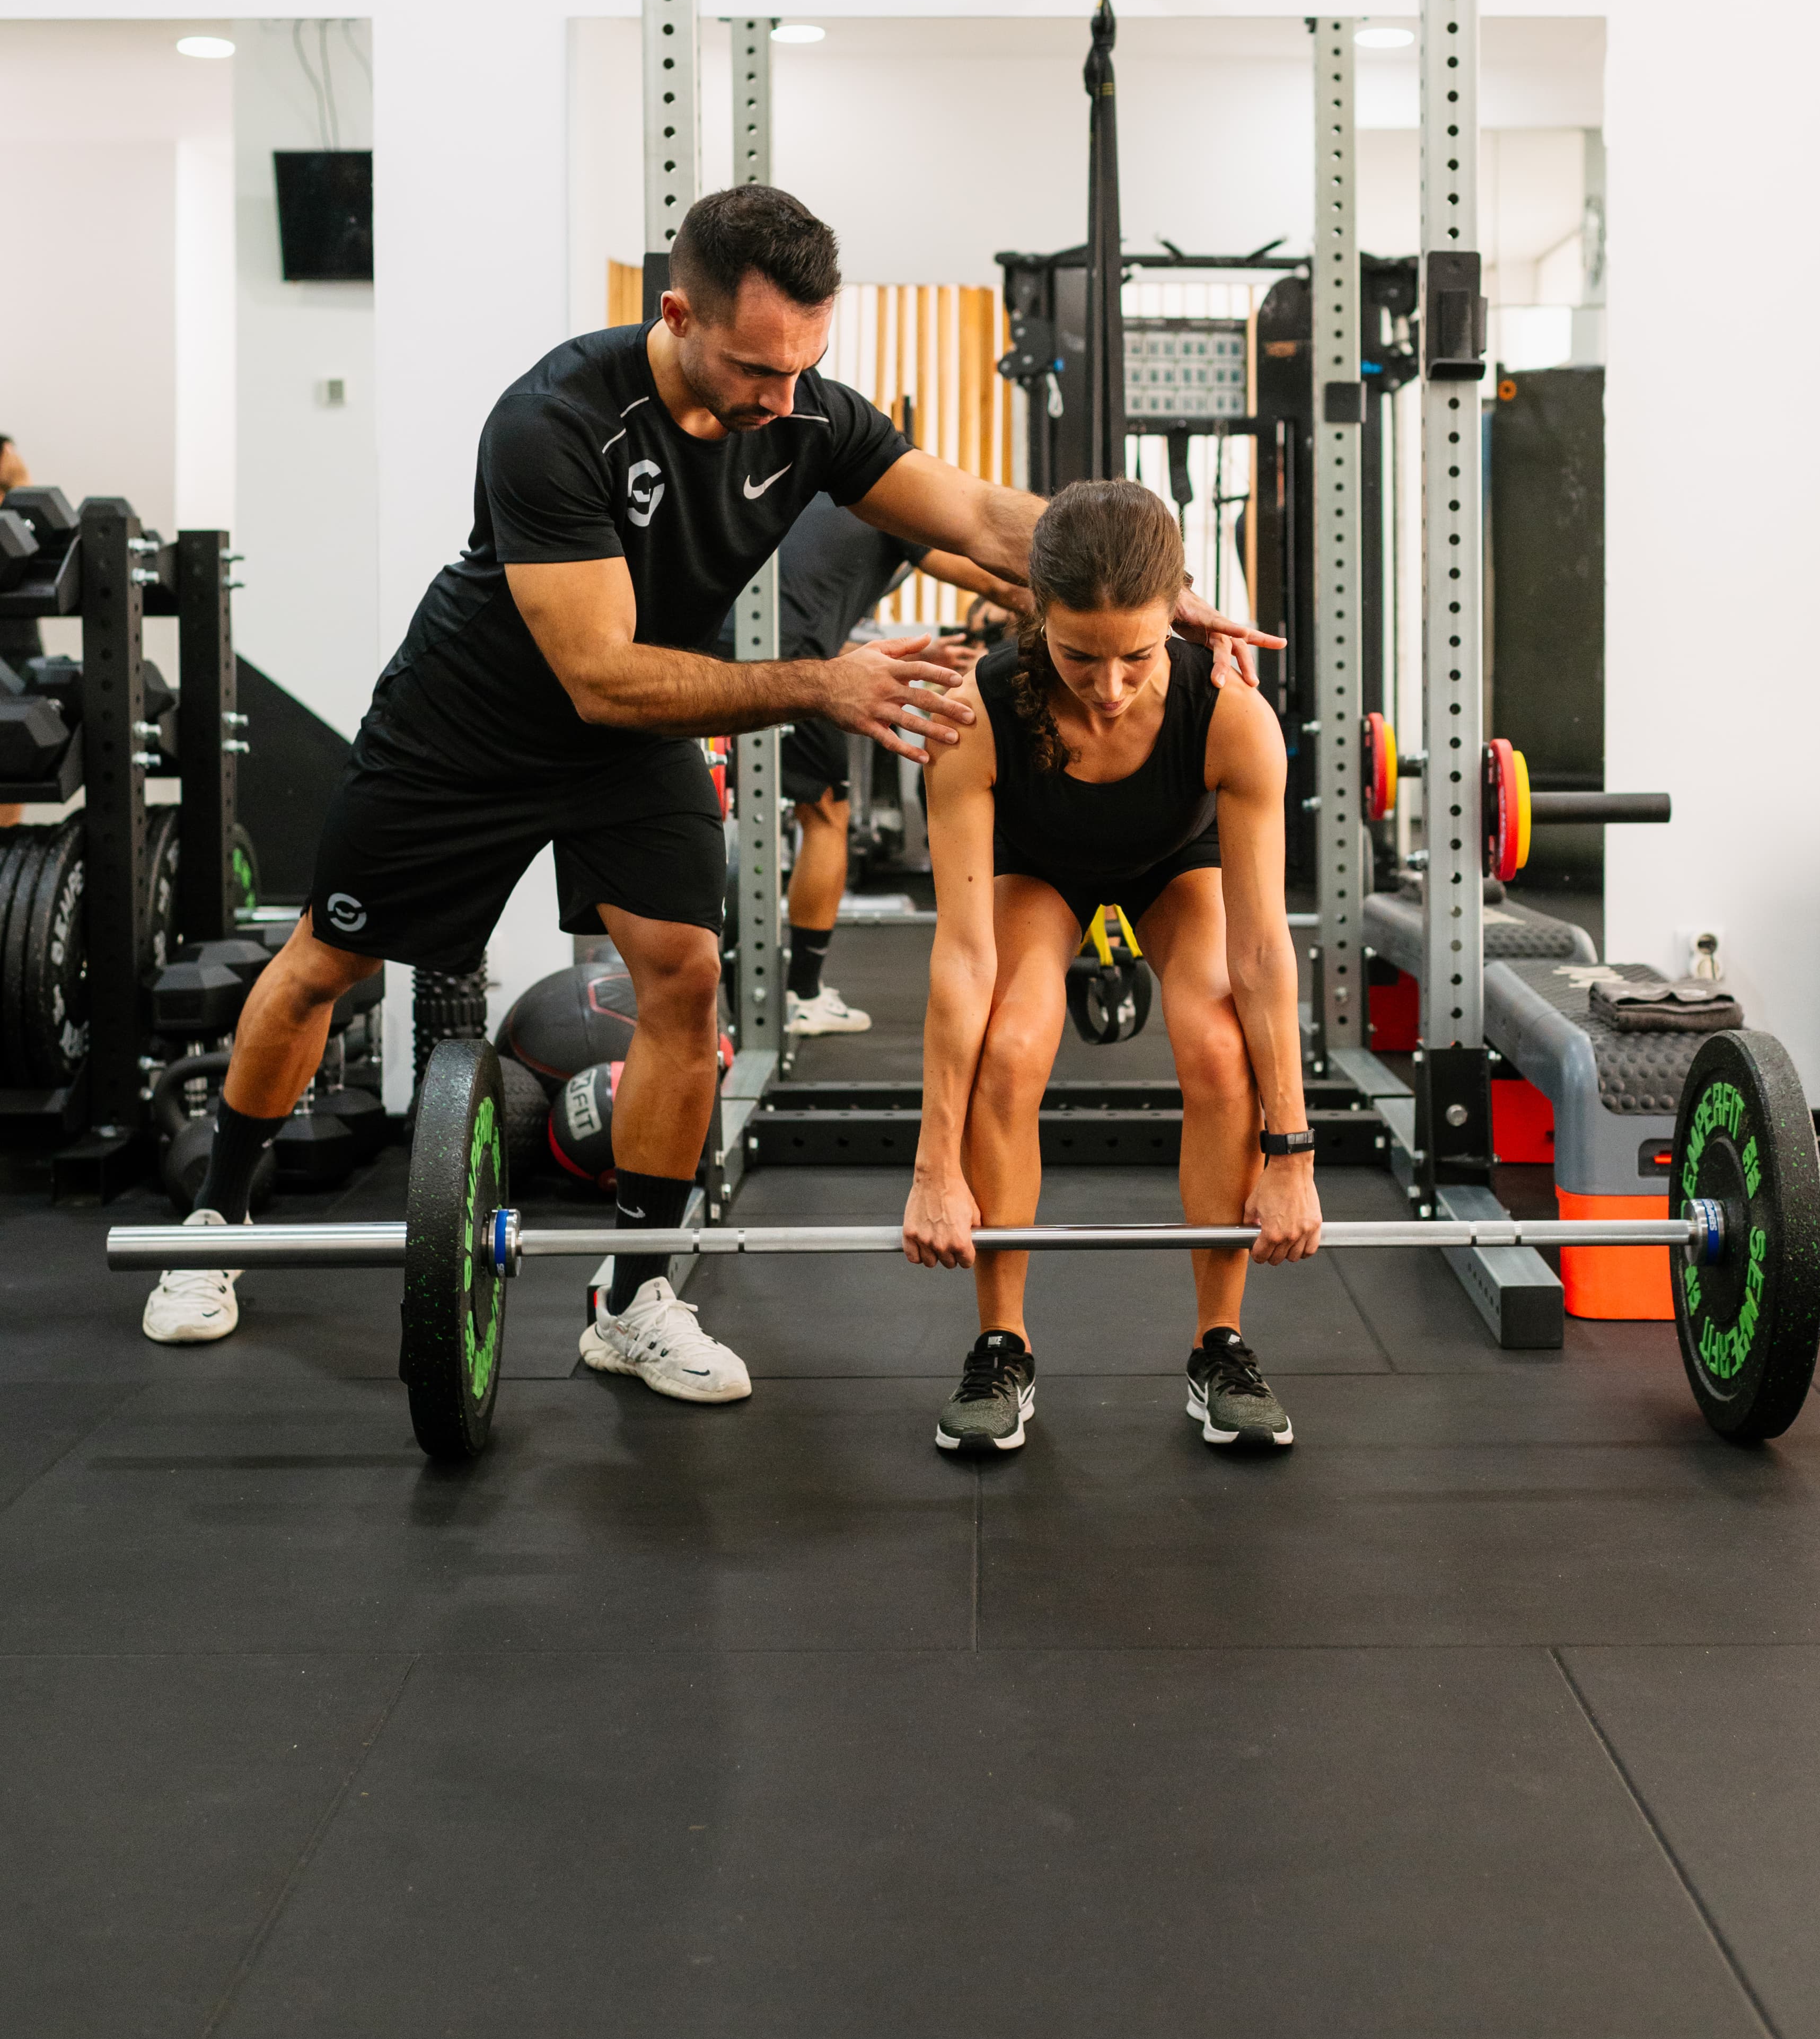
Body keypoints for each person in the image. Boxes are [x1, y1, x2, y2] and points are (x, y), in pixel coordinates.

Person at [141, 186, 1274, 1384]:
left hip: (632, 738)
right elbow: (598, 675)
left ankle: (632, 1296)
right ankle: (212, 1219)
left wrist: (1145, 590)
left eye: (804, 367)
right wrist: (822, 684)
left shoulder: (802, 414)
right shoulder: (554, 421)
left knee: (683, 980)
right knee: (329, 958)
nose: (781, 398)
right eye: (754, 366)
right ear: (675, 313)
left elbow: (988, 518)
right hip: (468, 728)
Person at [903, 476, 1320, 1455]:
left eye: (1137, 655)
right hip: (1038, 874)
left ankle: (1221, 1346)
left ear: (1176, 609)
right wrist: (932, 1170)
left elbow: (1262, 952)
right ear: (1035, 614)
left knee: (1218, 1043)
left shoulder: (1230, 716)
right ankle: (1000, 1345)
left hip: (1178, 870)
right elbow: (961, 959)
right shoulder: (979, 713)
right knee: (1010, 1041)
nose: (1112, 686)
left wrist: (1291, 1155)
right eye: (1080, 656)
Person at [768, 492, 1027, 1036]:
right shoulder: (896, 507)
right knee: (826, 819)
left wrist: (915, 659)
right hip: (787, 663)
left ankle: (779, 988)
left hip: (744, 654)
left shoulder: (813, 506)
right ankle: (803, 995)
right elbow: (1002, 584)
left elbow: (812, 623)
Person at [0, 433, 42, 833]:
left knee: (16, 752)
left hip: (18, 644)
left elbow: (33, 538)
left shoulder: (18, 517)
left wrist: (18, 480)